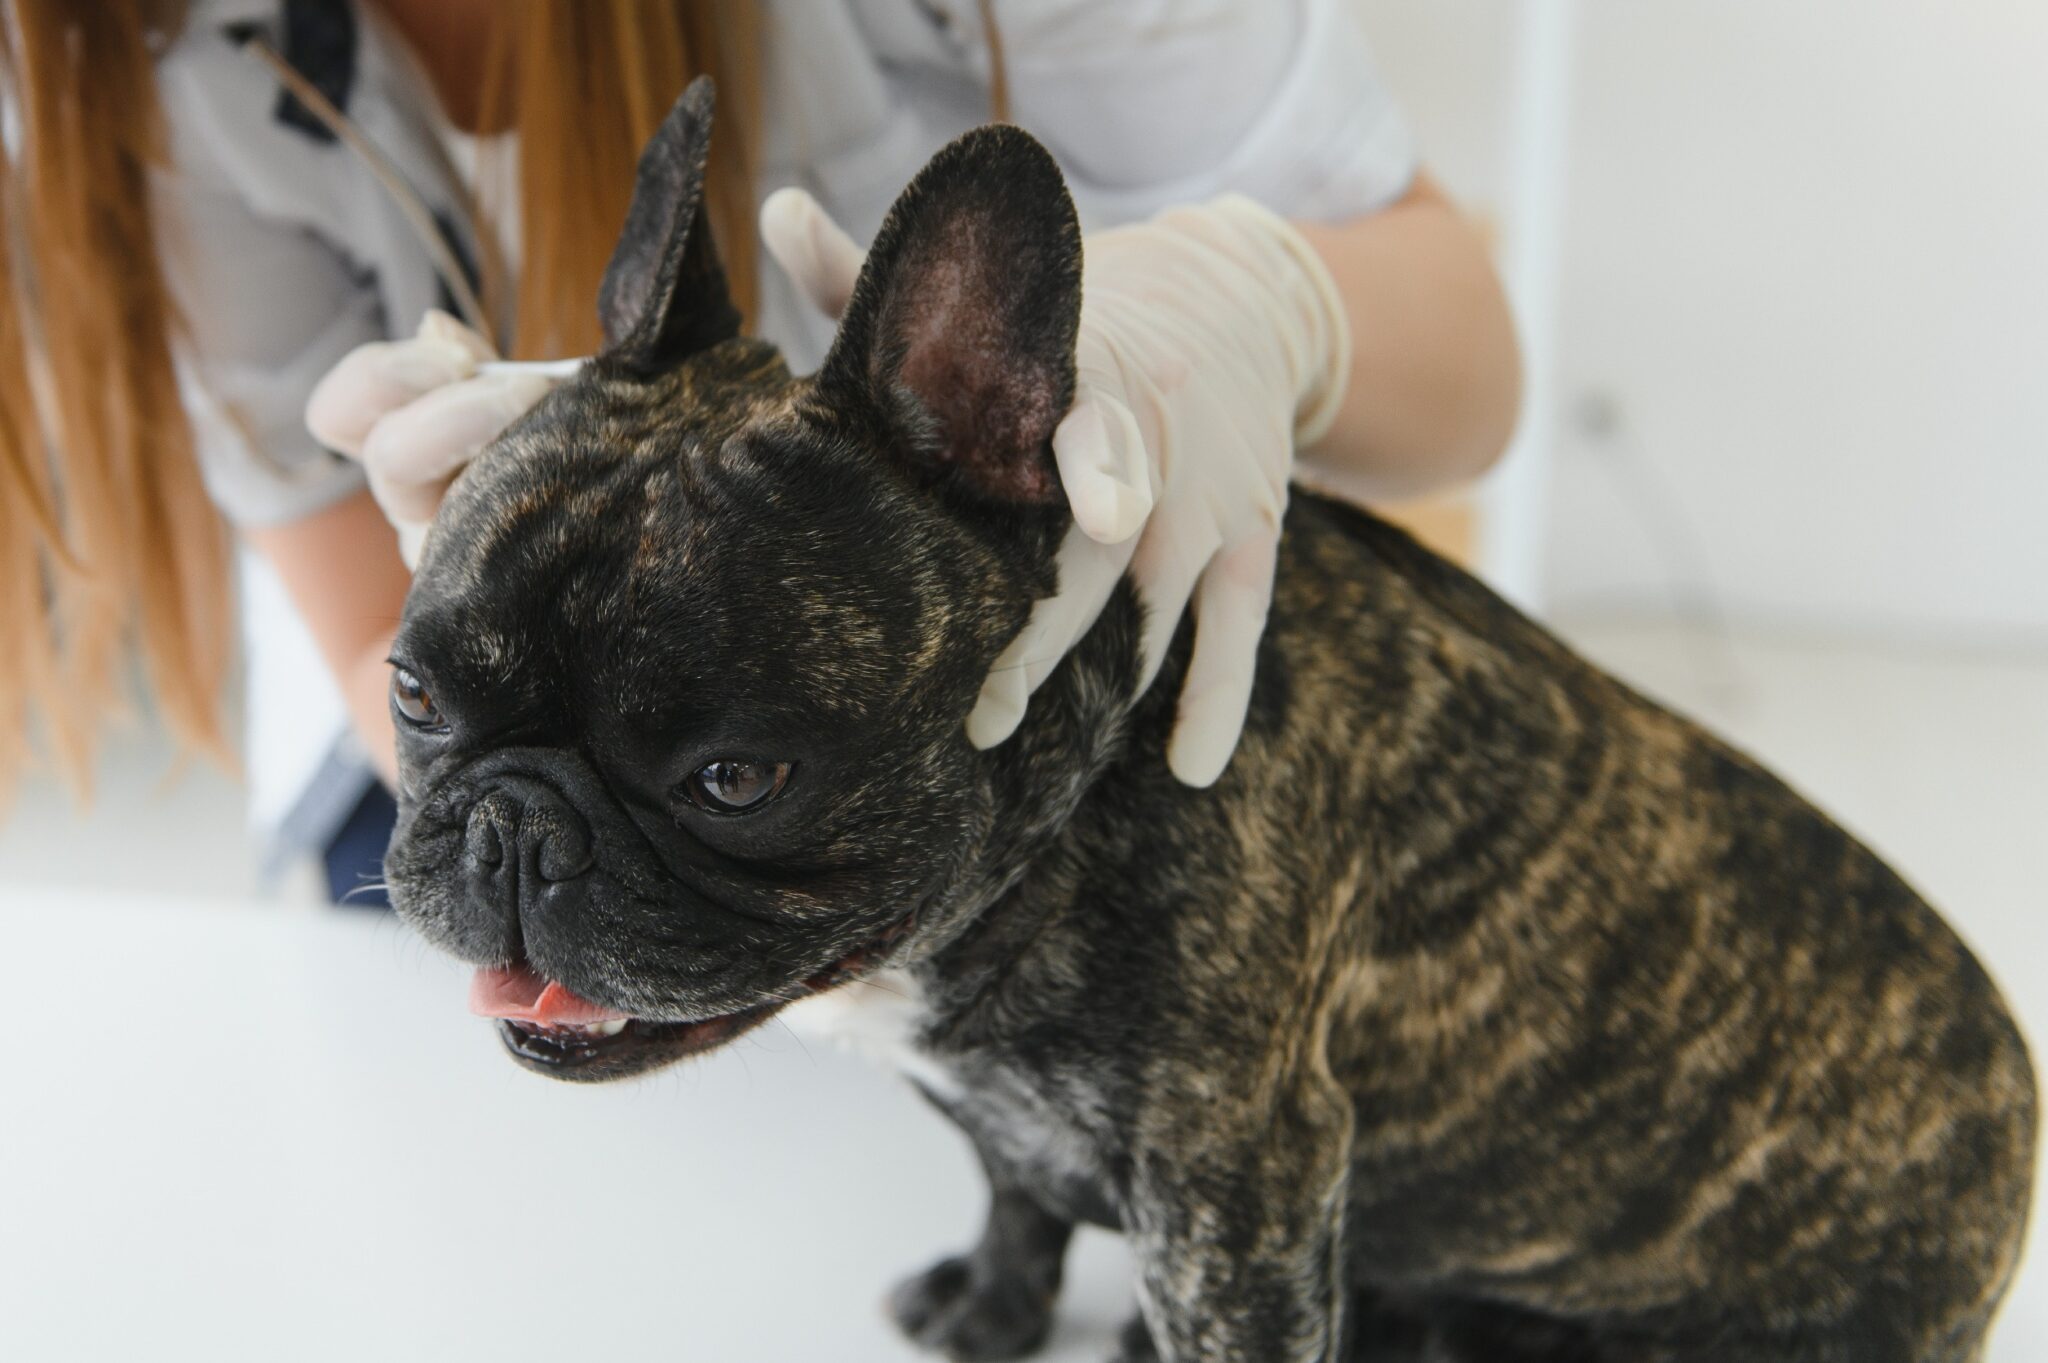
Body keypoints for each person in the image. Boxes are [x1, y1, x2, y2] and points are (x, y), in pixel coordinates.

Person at [0, 0, 1519, 903]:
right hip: (473, 816)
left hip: (1006, 763)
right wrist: (498, 736)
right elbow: (350, 610)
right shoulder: (146, 52)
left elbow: (1470, 358)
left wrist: (1265, 298)